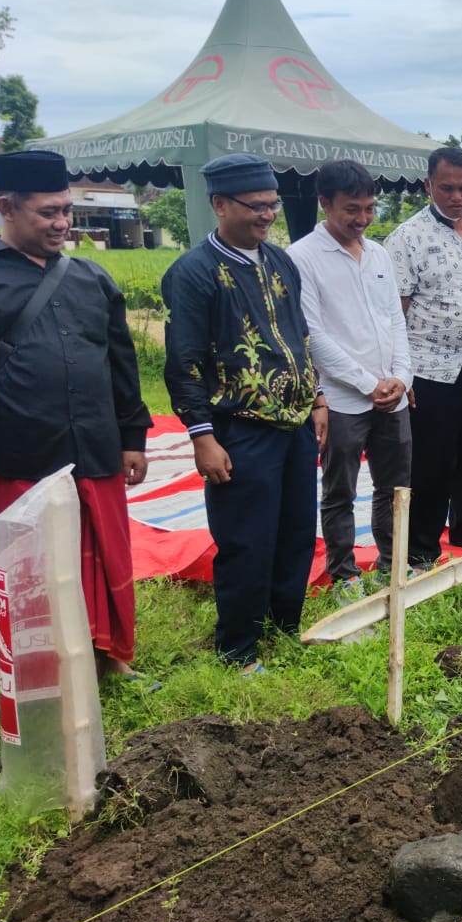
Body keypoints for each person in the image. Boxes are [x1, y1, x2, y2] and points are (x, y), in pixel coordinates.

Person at [0, 150, 153, 679]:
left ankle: (106, 657)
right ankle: (28, 670)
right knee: (27, 568)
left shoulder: (93, 280)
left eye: (66, 211)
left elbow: (120, 363)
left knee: (97, 555)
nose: (63, 223)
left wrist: (133, 435)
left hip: (93, 446)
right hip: (13, 454)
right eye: (48, 212)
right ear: (6, 206)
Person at [161, 154, 323, 672]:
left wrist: (317, 399)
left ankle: (285, 627)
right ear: (220, 204)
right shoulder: (194, 273)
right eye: (256, 206)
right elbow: (182, 362)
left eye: (272, 205)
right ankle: (238, 648)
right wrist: (202, 436)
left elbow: (299, 336)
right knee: (247, 539)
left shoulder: (280, 263)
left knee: (297, 531)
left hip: (295, 422)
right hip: (239, 429)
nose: (267, 215)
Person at [289, 160, 412, 603]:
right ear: (325, 204)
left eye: (369, 208)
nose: (362, 219)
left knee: (395, 486)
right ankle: (343, 574)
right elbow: (311, 334)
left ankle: (390, 563)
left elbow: (395, 319)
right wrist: (366, 383)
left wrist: (400, 376)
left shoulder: (378, 254)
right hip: (343, 399)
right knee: (339, 489)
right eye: (351, 210)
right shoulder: (301, 258)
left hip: (391, 396)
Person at [385, 147, 462, 572]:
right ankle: (422, 545)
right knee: (432, 457)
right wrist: (401, 376)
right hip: (428, 366)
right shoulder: (406, 239)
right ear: (428, 185)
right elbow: (394, 313)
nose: (457, 197)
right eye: (447, 188)